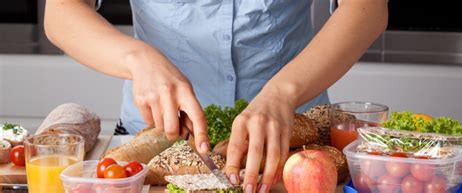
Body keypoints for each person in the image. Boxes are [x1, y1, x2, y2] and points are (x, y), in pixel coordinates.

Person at [44, 0, 387, 192]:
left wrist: (284, 92)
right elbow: (61, 13)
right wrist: (138, 60)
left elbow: (368, 8)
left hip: (292, 146)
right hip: (155, 144)